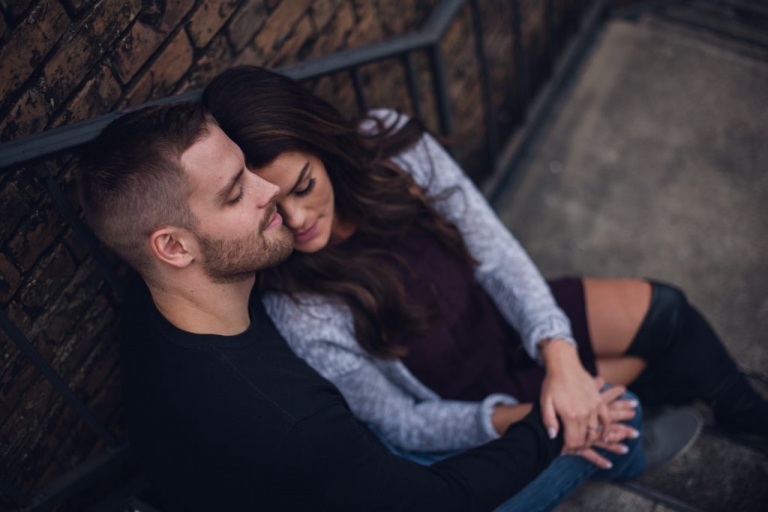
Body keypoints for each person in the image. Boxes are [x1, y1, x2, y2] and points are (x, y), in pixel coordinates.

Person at [75, 101, 640, 512]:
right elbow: (437, 501)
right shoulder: (286, 417)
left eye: (248, 169)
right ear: (173, 246)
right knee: (617, 417)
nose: (268, 191)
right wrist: (556, 428)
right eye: (234, 192)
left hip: (330, 476)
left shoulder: (154, 299)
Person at [202, 66, 768, 462]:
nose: (299, 219)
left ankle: (745, 416)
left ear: (324, 146)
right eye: (273, 211)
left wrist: (559, 353)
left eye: (305, 184)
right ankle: (647, 414)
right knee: (626, 382)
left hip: (502, 317)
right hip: (480, 397)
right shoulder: (296, 304)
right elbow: (401, 422)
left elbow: (494, 252)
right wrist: (513, 421)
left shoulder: (391, 147)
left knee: (667, 311)